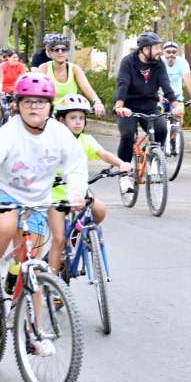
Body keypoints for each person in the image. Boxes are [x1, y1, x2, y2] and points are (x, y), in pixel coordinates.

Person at [0, 74, 87, 325]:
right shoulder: (9, 132)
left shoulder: (59, 133)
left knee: (29, 260)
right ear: (17, 105)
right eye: (28, 102)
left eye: (41, 102)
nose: (34, 107)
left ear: (50, 107)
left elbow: (75, 165)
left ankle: (36, 330)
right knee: (6, 227)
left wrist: (76, 193)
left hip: (37, 198)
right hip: (2, 191)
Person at [46, 94, 131, 273]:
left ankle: (77, 235)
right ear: (61, 120)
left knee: (99, 210)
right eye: (73, 118)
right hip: (56, 195)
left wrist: (121, 164)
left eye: (82, 118)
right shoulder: (53, 141)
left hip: (79, 192)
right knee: (58, 239)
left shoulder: (86, 140)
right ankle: (53, 283)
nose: (78, 122)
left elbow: (104, 154)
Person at [114, 32, 182, 194]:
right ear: (145, 49)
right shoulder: (128, 62)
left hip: (150, 106)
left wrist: (175, 105)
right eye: (157, 48)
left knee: (161, 130)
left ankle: (151, 155)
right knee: (128, 135)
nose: (160, 51)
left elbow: (166, 86)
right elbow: (122, 84)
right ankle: (124, 174)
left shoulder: (158, 64)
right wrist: (119, 106)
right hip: (128, 107)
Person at [35, 34, 106, 116]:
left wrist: (97, 102)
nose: (60, 52)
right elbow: (36, 90)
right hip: (49, 115)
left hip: (70, 114)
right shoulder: (44, 68)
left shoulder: (74, 69)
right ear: (49, 52)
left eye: (63, 49)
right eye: (56, 49)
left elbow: (86, 87)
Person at [160, 40, 191, 107]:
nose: (171, 54)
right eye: (168, 52)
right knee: (157, 115)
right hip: (161, 97)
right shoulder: (159, 61)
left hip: (177, 97)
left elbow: (188, 80)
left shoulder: (182, 62)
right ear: (163, 52)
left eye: (174, 52)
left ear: (177, 53)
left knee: (178, 115)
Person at [0, 50, 27, 119]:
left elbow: (23, 80)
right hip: (4, 89)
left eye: (17, 57)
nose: (16, 59)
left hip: (16, 90)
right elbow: (0, 78)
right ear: (8, 58)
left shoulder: (21, 66)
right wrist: (0, 91)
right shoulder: (2, 65)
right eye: (14, 57)